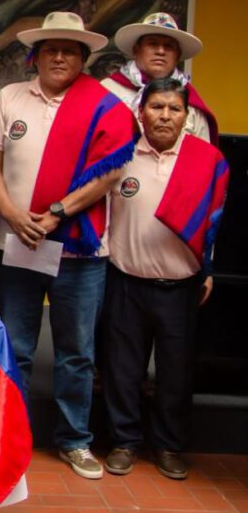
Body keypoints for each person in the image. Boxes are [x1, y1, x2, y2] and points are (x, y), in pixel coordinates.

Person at [0, 12, 135, 480]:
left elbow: (110, 173)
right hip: (17, 243)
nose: (60, 57)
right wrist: (10, 213)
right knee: (18, 345)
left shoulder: (105, 105)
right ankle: (15, 437)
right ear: (37, 55)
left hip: (81, 250)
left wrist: (57, 213)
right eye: (51, 49)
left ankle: (75, 440)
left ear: (83, 58)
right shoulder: (10, 97)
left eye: (70, 50)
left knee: (76, 351)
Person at [102, 78, 229, 481]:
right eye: (156, 107)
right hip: (126, 278)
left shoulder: (207, 159)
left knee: (175, 372)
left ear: (186, 116)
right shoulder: (119, 157)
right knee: (123, 369)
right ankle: (123, 442)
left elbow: (215, 220)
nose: (164, 116)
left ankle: (169, 446)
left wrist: (207, 270)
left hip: (181, 284)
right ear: (141, 112)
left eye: (174, 109)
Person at [103, 12, 218, 145]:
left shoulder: (189, 101)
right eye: (152, 44)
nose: (161, 51)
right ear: (136, 50)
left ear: (178, 55)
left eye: (168, 46)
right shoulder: (108, 91)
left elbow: (202, 157)